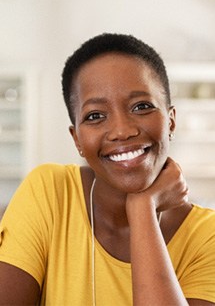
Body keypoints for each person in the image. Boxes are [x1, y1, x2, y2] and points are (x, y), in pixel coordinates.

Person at [0, 33, 215, 306]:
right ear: (76, 138)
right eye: (95, 116)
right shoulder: (49, 192)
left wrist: (142, 209)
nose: (123, 131)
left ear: (171, 122)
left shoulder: (208, 237)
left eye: (142, 106)